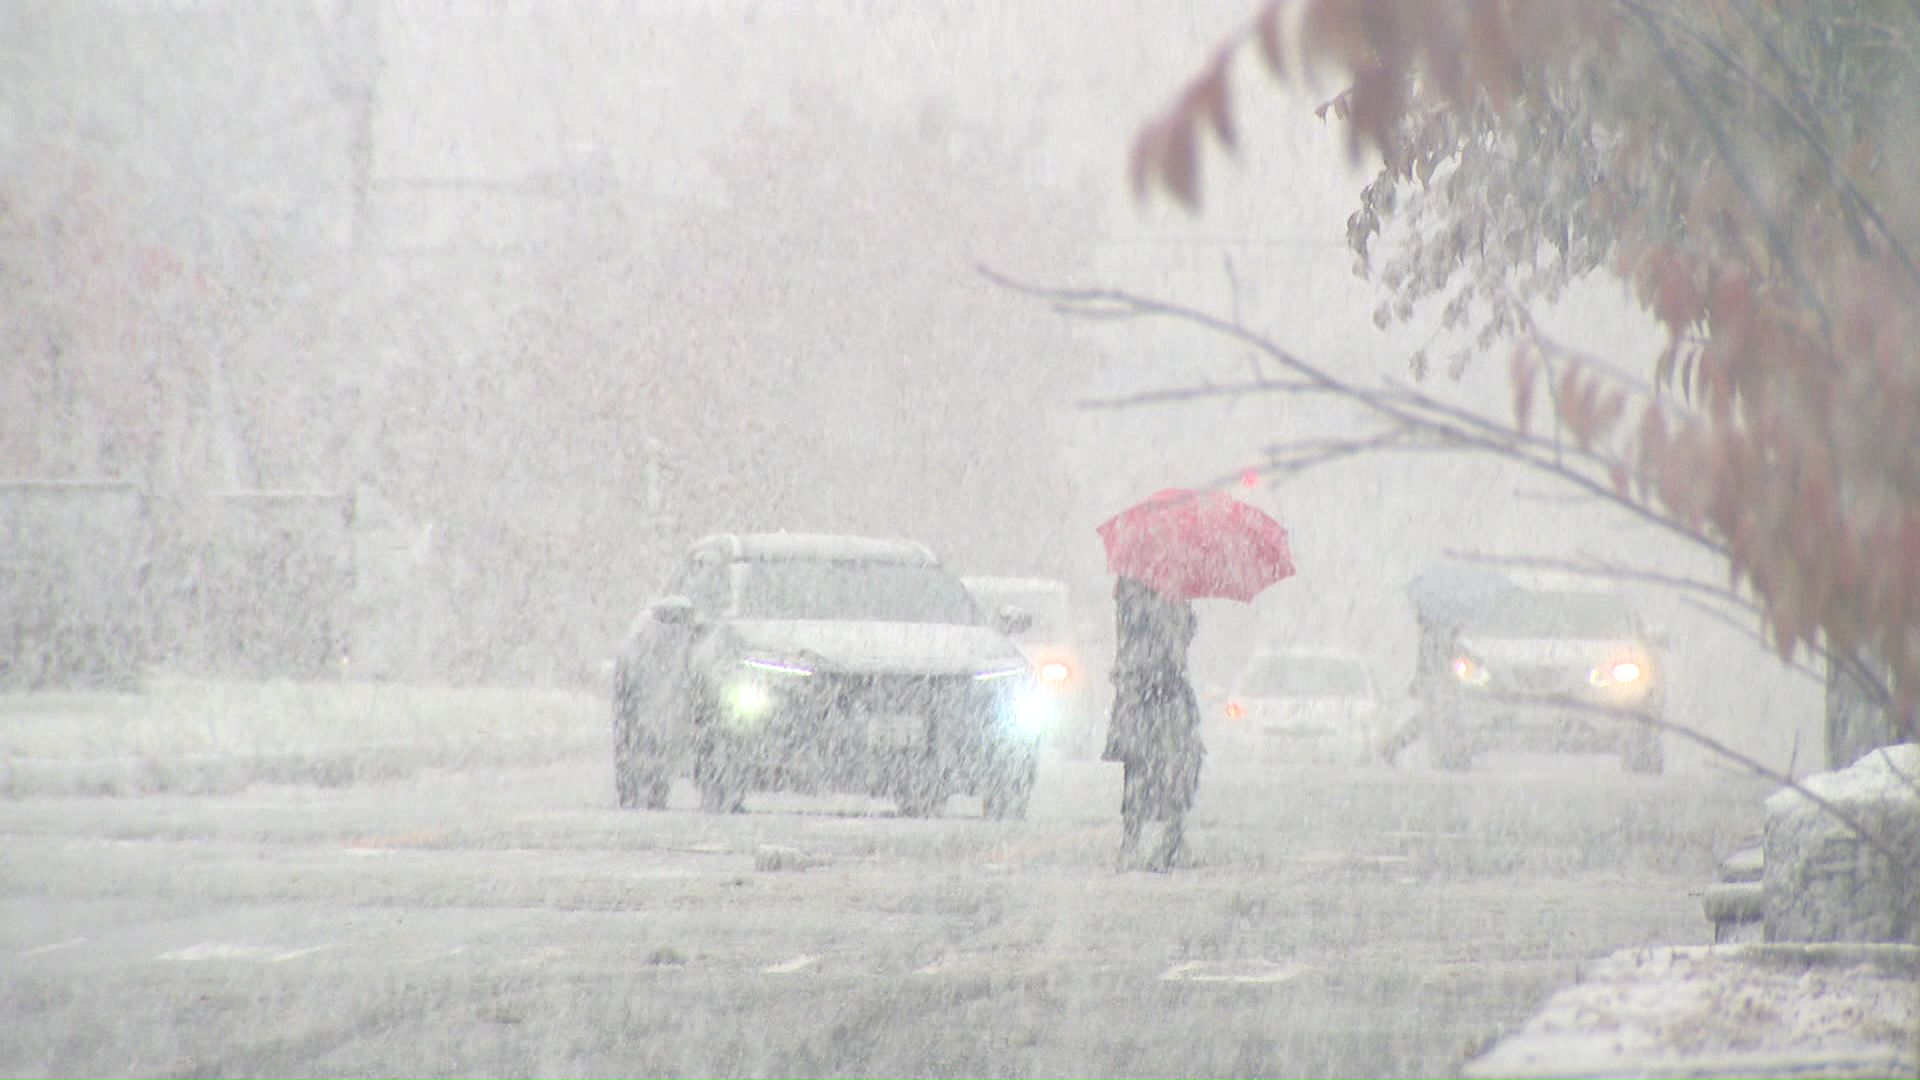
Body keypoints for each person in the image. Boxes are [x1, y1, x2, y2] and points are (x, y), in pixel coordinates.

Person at [1102, 575, 1203, 872]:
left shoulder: (1139, 592)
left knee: (1157, 765)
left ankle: (1159, 838)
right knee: (1146, 765)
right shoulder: (1139, 593)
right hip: (1152, 690)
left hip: (1153, 690)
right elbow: (1160, 639)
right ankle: (1145, 839)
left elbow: (1172, 642)